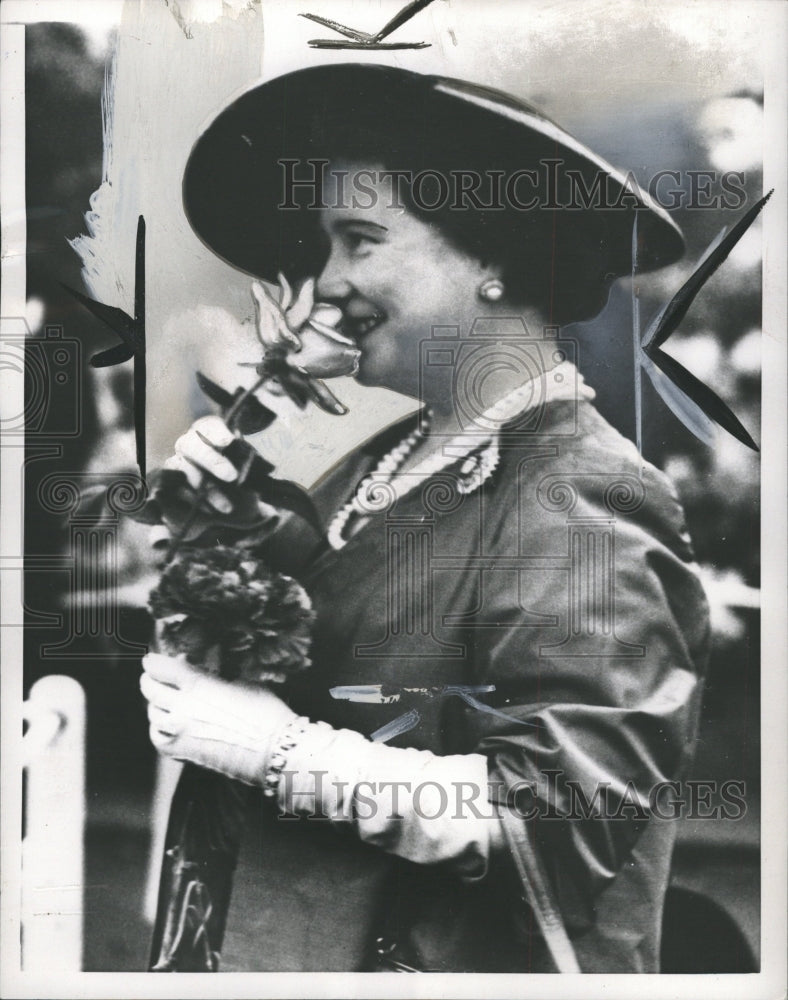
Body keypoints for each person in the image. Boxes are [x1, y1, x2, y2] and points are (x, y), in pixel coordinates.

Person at [139, 64, 709, 973]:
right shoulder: (388, 460)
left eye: (359, 240)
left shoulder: (588, 493)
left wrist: (276, 751)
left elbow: (562, 817)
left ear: (493, 253)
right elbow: (372, 633)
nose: (324, 284)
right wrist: (233, 527)